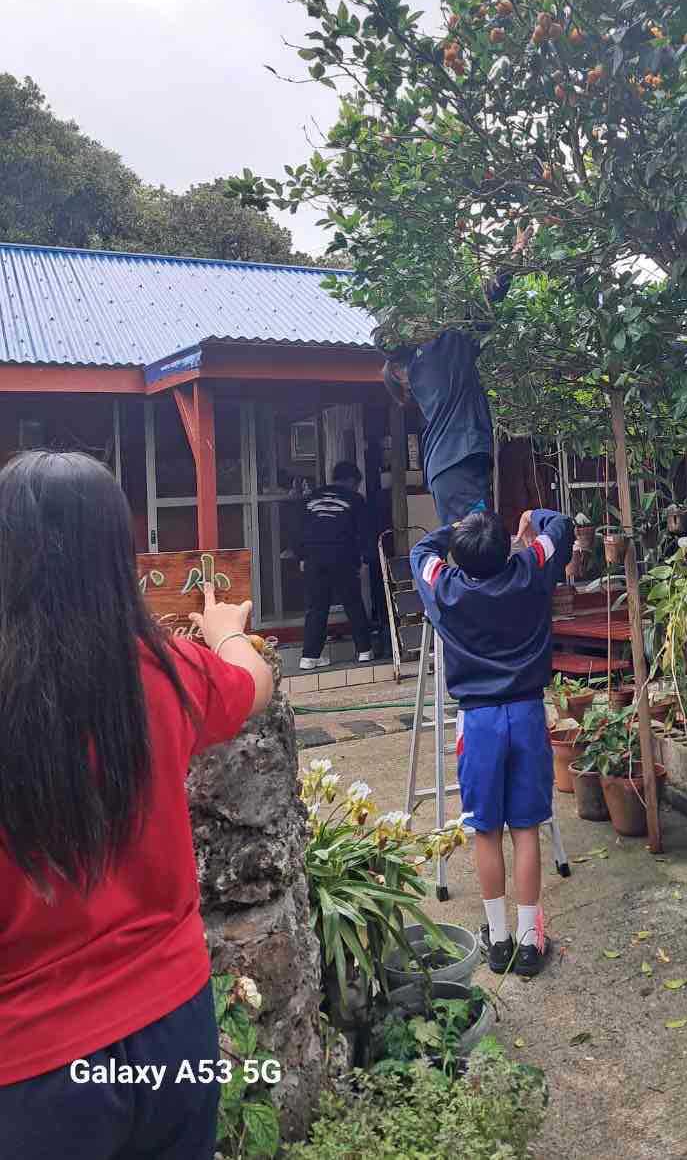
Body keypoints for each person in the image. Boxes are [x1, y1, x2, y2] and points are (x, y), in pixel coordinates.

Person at [0, 451, 273, 1160]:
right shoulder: (163, 671)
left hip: (35, 1066)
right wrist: (226, 631)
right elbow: (254, 682)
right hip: (174, 1027)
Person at [411, 505, 573, 977]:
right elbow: (560, 527)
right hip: (526, 714)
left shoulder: (445, 586)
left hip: (478, 722)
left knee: (486, 830)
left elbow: (421, 551)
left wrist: (456, 528)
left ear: (460, 554)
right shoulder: (530, 569)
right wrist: (532, 517)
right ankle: (530, 941)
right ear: (507, 548)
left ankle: (498, 940)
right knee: (526, 828)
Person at [381, 225, 532, 527]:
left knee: (470, 541)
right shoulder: (439, 352)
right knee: (477, 542)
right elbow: (485, 301)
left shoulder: (424, 364)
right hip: (458, 464)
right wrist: (516, 252)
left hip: (451, 466)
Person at [297, 460, 384, 670]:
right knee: (353, 603)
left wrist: (301, 556)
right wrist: (366, 559)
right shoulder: (355, 499)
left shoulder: (312, 498)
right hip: (342, 556)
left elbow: (299, 529)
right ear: (352, 481)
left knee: (316, 607)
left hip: (314, 557)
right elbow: (365, 531)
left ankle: (309, 657)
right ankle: (364, 651)